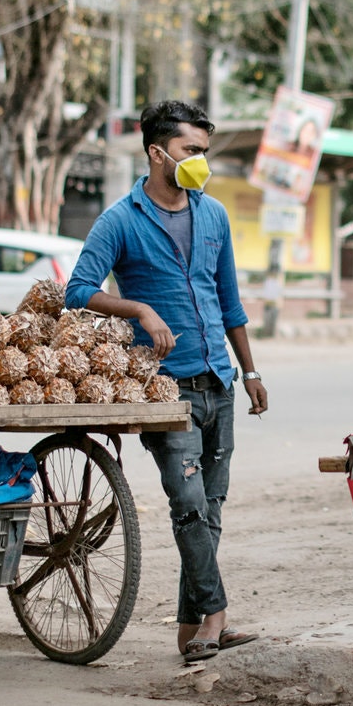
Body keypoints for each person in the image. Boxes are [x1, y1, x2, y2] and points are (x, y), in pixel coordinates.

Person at [66, 99, 268, 665]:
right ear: (158, 153)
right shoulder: (120, 220)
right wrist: (139, 311)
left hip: (219, 381)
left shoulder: (214, 216)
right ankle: (218, 616)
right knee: (187, 503)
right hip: (165, 389)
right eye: (191, 151)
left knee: (212, 508)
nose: (201, 161)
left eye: (205, 151)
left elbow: (229, 301)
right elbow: (78, 291)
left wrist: (249, 370)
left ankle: (189, 629)